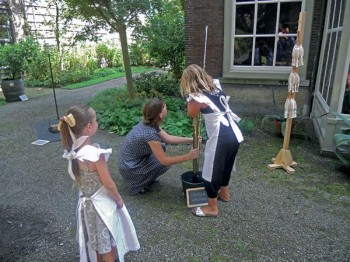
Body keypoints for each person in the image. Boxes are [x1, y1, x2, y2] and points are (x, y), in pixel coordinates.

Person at [58, 105, 139, 262]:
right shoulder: (95, 155)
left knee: (95, 242)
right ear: (89, 127)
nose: (97, 124)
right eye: (96, 121)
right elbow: (108, 183)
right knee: (107, 243)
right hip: (102, 207)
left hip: (86, 206)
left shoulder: (72, 153)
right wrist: (119, 200)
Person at [180, 64, 244, 217]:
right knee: (225, 165)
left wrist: (190, 97)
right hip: (234, 133)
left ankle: (212, 207)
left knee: (211, 170)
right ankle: (224, 194)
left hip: (220, 135)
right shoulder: (215, 88)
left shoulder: (197, 96)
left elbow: (191, 113)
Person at [118, 98, 200, 195]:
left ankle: (145, 177)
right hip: (131, 169)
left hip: (128, 163)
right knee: (165, 163)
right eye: (163, 106)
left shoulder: (150, 122)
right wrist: (188, 156)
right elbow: (164, 161)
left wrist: (191, 140)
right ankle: (139, 184)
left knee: (162, 147)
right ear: (160, 115)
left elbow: (168, 138)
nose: (165, 104)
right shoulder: (149, 134)